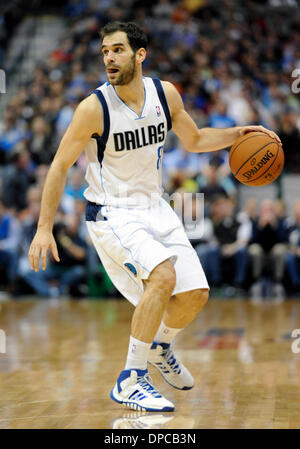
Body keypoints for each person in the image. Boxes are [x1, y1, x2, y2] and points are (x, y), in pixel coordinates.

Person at [28, 21, 282, 412]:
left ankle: (160, 347)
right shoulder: (93, 108)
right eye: (105, 52)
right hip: (113, 212)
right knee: (162, 277)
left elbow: (195, 140)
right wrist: (44, 228)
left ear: (139, 54)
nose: (109, 58)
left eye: (117, 50)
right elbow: (60, 166)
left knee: (195, 294)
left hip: (155, 206)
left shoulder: (165, 95)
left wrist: (239, 133)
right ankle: (131, 378)